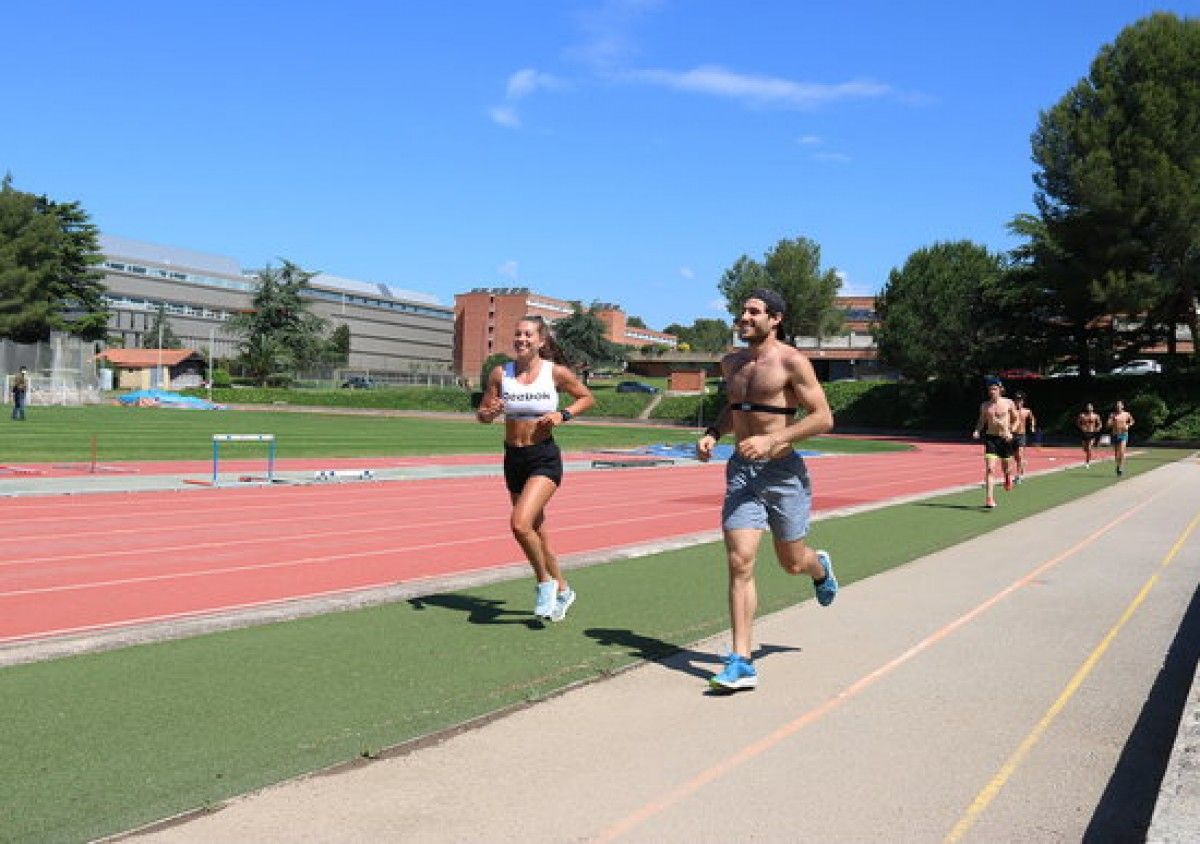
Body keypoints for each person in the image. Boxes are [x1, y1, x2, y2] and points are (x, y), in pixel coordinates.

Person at [695, 288, 837, 692]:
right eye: (742, 310)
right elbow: (735, 408)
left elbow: (824, 417)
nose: (744, 317)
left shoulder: (792, 361)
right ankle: (742, 660)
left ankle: (819, 568)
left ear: (775, 319)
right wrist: (712, 432)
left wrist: (774, 441)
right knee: (740, 561)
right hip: (742, 473)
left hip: (783, 474)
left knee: (791, 563)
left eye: (753, 312)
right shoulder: (731, 363)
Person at [476, 316, 594, 622]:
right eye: (517, 334)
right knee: (537, 533)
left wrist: (563, 414)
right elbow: (484, 415)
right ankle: (565, 591)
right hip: (513, 459)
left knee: (519, 524)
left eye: (528, 334)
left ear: (541, 340)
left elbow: (586, 397)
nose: (521, 339)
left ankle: (544, 582)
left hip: (543, 458)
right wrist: (489, 413)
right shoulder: (501, 373)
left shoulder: (555, 373)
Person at [971, 377, 1019, 508]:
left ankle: (1008, 477)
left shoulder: (1009, 403)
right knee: (990, 468)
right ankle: (989, 499)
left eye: (994, 389)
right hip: (991, 439)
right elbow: (981, 421)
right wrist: (977, 430)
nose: (992, 391)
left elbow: (1016, 420)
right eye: (990, 389)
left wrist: (1011, 432)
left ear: (1000, 389)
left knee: (1006, 468)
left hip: (1005, 439)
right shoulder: (985, 406)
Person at [1011, 391, 1037, 483]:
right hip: (1012, 435)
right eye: (1017, 400)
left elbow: (1032, 418)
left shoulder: (1027, 411)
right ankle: (1021, 464)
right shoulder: (1011, 411)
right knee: (1016, 457)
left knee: (1020, 455)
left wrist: (1032, 426)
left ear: (1023, 401)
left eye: (1020, 400)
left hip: (1021, 435)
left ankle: (1018, 476)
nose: (1018, 402)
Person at [1107, 400, 1135, 476]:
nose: (1118, 407)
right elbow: (1108, 424)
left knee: (1122, 452)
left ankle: (1120, 467)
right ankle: (1118, 465)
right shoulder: (1112, 415)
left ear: (1122, 406)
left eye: (1119, 405)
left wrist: (1128, 425)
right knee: (1116, 454)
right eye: (1117, 406)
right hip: (1115, 435)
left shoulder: (1126, 414)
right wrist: (1110, 422)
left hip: (1124, 434)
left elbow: (1132, 421)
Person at [1077, 403, 1103, 467]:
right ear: (1086, 408)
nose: (1089, 409)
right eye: (1088, 407)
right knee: (1085, 449)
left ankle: (1087, 462)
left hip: (1092, 433)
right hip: (1084, 433)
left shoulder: (1095, 416)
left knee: (1089, 448)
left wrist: (1097, 429)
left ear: (1092, 408)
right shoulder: (1082, 415)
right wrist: (1081, 427)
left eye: (1090, 407)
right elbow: (1078, 422)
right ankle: (1089, 455)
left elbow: (1100, 424)